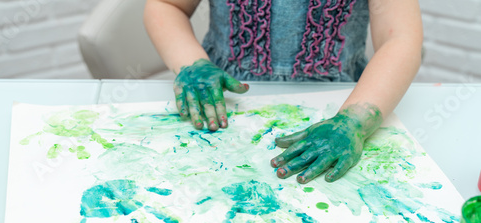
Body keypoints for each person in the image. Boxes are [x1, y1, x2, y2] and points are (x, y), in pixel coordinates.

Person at [143, 0, 423, 184]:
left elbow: (400, 37)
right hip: (226, 98)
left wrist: (356, 120)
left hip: (343, 103)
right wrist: (192, 63)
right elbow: (167, 6)